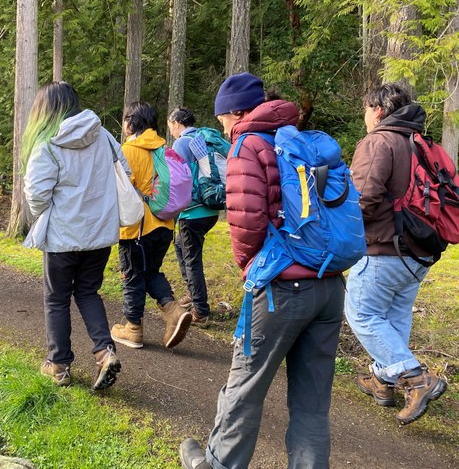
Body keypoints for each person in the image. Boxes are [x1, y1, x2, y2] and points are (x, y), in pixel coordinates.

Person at [180, 73, 345, 469]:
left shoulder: (248, 145)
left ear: (236, 112)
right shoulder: (301, 139)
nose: (222, 126)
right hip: (329, 284)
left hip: (281, 288)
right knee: (312, 402)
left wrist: (254, 268)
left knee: (245, 387)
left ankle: (219, 463)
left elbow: (246, 222)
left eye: (222, 117)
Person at [344, 82, 447, 425]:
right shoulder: (420, 142)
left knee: (362, 314)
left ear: (377, 110)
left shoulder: (379, 141)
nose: (364, 116)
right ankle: (383, 380)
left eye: (365, 109)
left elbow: (364, 198)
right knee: (394, 317)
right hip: (420, 250)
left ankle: (416, 379)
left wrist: (342, 232)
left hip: (385, 249)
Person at [22, 81, 122, 391]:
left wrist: (49, 211)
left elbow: (36, 194)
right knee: (88, 292)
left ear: (46, 109)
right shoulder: (104, 136)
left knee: (56, 299)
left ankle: (59, 365)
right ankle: (105, 352)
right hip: (99, 234)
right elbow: (125, 174)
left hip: (63, 236)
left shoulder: (48, 142)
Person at [111, 102, 193, 350]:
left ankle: (133, 328)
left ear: (131, 122)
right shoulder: (163, 149)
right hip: (165, 224)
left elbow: (119, 189)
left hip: (137, 227)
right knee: (150, 272)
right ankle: (173, 311)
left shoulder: (128, 151)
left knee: (132, 275)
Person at [167, 107, 219, 328]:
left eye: (170, 125)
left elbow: (177, 178)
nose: (171, 131)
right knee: (181, 245)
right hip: (211, 208)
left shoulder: (181, 143)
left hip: (193, 210)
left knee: (192, 259)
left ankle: (200, 311)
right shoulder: (203, 138)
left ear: (176, 123)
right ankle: (193, 292)